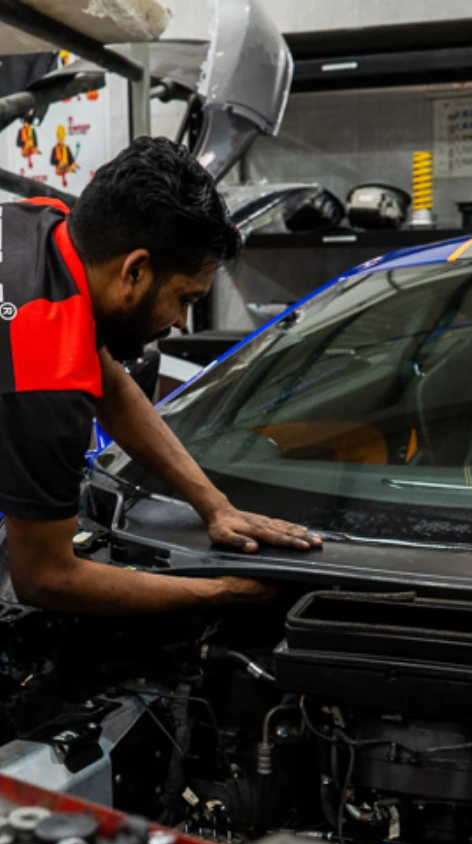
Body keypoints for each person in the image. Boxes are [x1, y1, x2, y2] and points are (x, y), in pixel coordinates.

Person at [0, 136, 321, 614]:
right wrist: (225, 594)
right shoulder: (44, 376)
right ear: (135, 272)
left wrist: (214, 505)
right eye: (185, 300)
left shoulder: (39, 223)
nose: (180, 324)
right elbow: (45, 578)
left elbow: (108, 382)